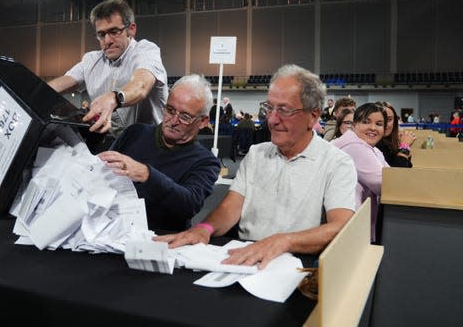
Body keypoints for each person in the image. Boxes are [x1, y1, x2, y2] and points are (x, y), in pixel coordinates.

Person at [155, 65, 356, 269]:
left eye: (284, 110)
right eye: (270, 108)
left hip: (296, 263)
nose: (272, 119)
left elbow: (340, 227)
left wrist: (283, 241)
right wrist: (205, 228)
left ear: (313, 116)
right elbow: (230, 207)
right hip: (244, 256)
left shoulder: (337, 163)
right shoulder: (256, 153)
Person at [97, 74, 220, 231]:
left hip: (161, 239)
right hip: (110, 228)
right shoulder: (135, 133)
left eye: (185, 116)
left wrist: (146, 174)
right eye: (170, 110)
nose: (173, 121)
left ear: (203, 121)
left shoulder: (206, 162)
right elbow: (102, 178)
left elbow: (189, 204)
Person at [48, 0, 168, 142]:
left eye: (114, 32)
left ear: (131, 29)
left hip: (152, 144)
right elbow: (60, 84)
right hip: (116, 145)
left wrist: (115, 98)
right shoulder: (91, 60)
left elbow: (141, 85)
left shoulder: (145, 50)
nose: (107, 41)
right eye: (101, 34)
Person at [332, 103, 389, 242]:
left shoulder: (372, 149)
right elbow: (383, 183)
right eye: (366, 122)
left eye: (379, 124)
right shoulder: (354, 147)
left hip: (357, 223)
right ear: (354, 124)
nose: (373, 128)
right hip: (349, 226)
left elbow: (391, 175)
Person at [376, 101, 415, 168]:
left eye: (389, 119)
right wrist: (404, 147)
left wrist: (402, 146)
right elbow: (397, 173)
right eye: (380, 120)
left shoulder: (390, 142)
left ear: (394, 122)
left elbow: (408, 167)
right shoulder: (375, 145)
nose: (385, 124)